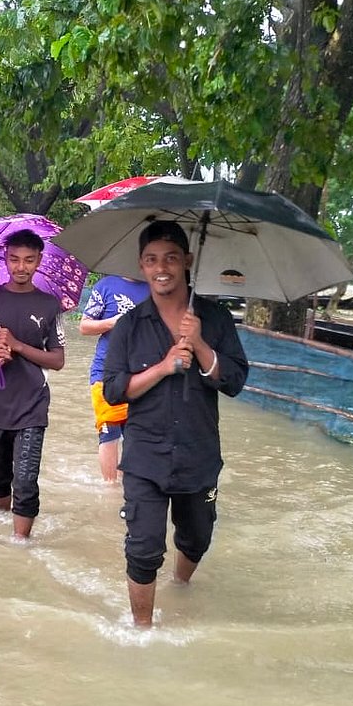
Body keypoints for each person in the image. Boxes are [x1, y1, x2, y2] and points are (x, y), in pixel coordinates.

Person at [101, 220, 247, 626]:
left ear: (187, 261)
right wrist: (163, 368)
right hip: (145, 456)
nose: (160, 267)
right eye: (151, 260)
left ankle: (181, 588)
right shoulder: (130, 326)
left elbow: (234, 381)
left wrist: (200, 344)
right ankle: (142, 631)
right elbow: (113, 390)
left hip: (199, 455)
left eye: (169, 258)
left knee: (196, 538)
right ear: (142, 266)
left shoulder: (215, 319)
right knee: (144, 547)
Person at [0, 229, 66, 540]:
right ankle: (0, 525)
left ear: (39, 261)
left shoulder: (50, 305)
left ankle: (21, 547)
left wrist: (18, 346)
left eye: (29, 260)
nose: (21, 267)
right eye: (14, 260)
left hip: (32, 405)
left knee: (25, 482)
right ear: (5, 260)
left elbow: (57, 360)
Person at [79, 275, 150, 482]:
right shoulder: (105, 286)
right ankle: (110, 491)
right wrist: (113, 322)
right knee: (109, 432)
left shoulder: (155, 288)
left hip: (143, 374)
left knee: (137, 435)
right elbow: (84, 326)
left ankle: (131, 487)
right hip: (106, 372)